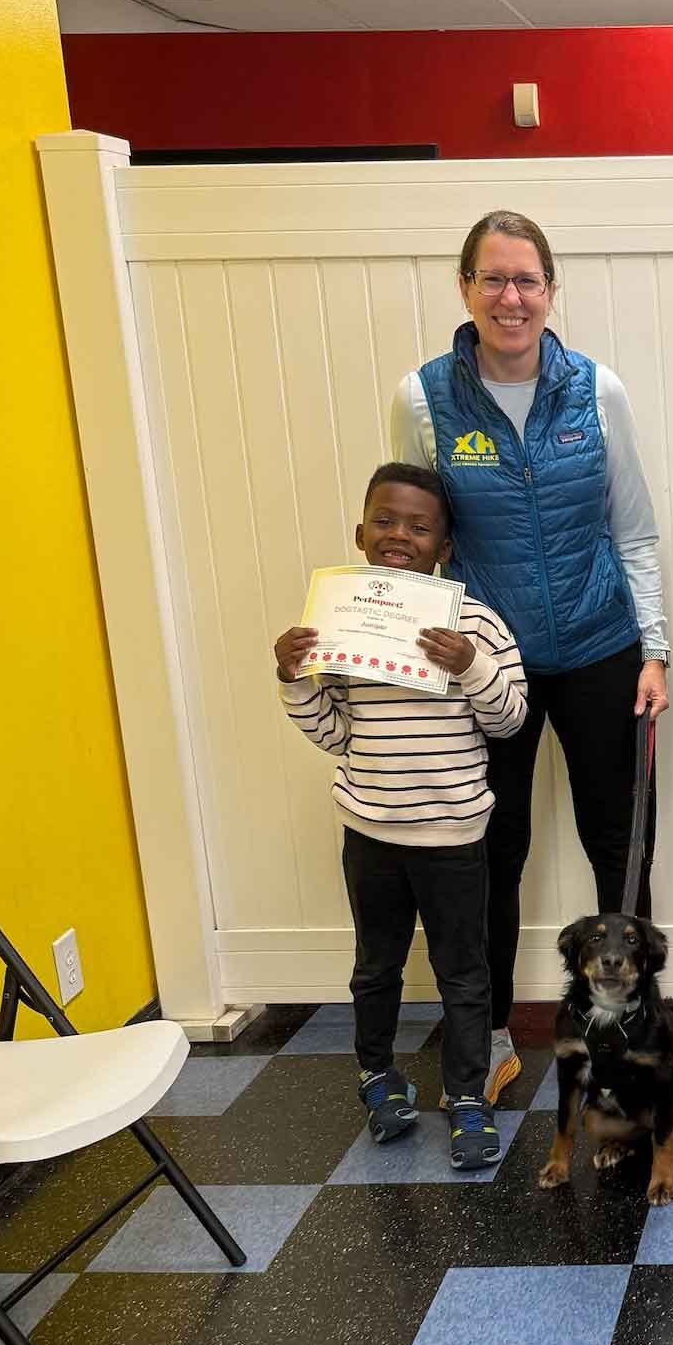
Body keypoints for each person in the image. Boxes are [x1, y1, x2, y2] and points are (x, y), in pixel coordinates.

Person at [392, 210, 669, 1106]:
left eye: (528, 281)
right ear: (464, 288)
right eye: (493, 279)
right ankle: (490, 1042)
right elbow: (413, 540)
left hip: (600, 649)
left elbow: (634, 529)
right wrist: (420, 653)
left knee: (618, 848)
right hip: (488, 667)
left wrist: (654, 651)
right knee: (489, 850)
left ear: (552, 292)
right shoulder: (423, 398)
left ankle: (626, 1036)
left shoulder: (598, 391)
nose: (512, 298)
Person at [274, 463, 527, 1169]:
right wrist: (293, 679)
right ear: (361, 533)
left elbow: (509, 720)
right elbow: (333, 733)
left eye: (420, 527)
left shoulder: (475, 623)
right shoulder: (338, 625)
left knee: (464, 972)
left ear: (444, 547)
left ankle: (469, 1097)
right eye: (385, 521)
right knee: (375, 966)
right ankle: (377, 1076)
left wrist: (471, 665)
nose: (399, 536)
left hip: (453, 836)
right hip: (371, 832)